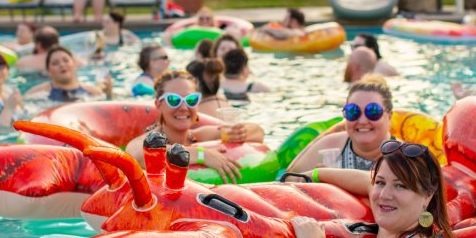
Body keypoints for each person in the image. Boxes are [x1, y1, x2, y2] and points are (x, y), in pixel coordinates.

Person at [290, 139, 456, 238]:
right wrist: (315, 174)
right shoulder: (398, 227)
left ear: (428, 195)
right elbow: (366, 181)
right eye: (381, 182)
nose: (384, 195)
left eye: (401, 186)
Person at [125, 70, 265, 183]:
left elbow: (258, 132)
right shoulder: (146, 141)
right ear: (158, 104)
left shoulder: (198, 136)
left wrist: (238, 133)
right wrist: (201, 154)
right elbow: (137, 156)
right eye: (174, 100)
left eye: (191, 100)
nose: (184, 107)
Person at [288, 75, 394, 172]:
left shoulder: (403, 157)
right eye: (353, 111)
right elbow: (288, 179)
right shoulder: (328, 145)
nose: (362, 121)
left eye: (373, 111)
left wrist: (327, 175)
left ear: (389, 116)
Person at [26, 46, 112, 102]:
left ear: (74, 64)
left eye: (66, 60)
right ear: (49, 71)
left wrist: (109, 95)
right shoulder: (36, 93)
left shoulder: (93, 92)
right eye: (55, 63)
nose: (62, 65)